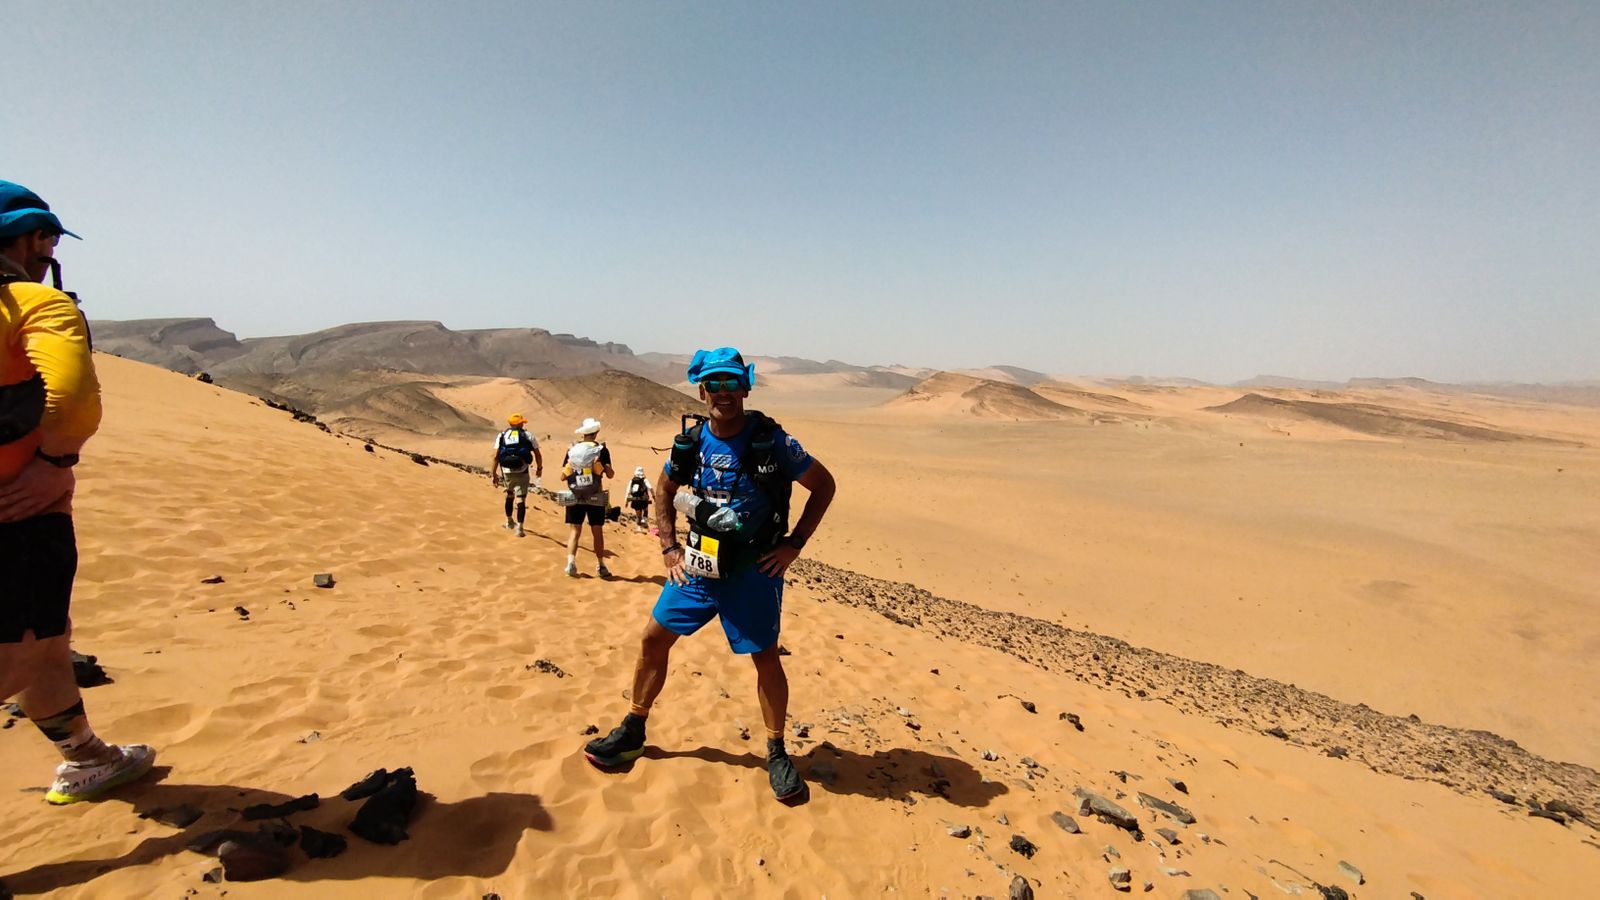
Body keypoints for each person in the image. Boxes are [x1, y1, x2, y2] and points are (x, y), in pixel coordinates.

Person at [584, 347, 836, 802]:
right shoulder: (692, 441)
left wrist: (793, 545)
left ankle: (777, 752)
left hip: (754, 571)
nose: (724, 392)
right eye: (714, 384)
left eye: (731, 382)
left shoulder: (771, 439)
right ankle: (634, 727)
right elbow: (664, 488)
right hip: (698, 569)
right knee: (652, 639)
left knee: (765, 658)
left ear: (746, 386)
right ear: (701, 391)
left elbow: (824, 485)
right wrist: (667, 545)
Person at [0, 180, 156, 804]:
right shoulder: (36, 304)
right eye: (52, 239)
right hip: (18, 512)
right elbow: (70, 397)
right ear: (34, 237)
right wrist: (55, 461)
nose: (52, 251)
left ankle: (87, 758)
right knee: (17, 657)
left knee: (46, 643)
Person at [562, 417, 613, 578]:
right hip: (595, 495)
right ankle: (601, 565)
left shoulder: (572, 449)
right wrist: (602, 467)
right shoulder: (601, 450)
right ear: (596, 432)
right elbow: (611, 475)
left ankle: (570, 563)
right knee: (597, 531)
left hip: (575, 494)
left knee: (575, 530)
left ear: (583, 434)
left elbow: (564, 475)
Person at [490, 413, 542, 537]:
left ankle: (509, 522)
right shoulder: (528, 435)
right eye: (522, 422)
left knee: (509, 495)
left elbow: (496, 456)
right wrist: (540, 468)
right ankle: (520, 528)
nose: (523, 424)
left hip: (507, 470)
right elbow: (537, 454)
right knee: (521, 499)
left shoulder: (502, 435)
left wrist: (494, 474)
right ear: (519, 424)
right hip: (522, 470)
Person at [624, 465, 652, 532]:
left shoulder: (632, 480)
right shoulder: (645, 480)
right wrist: (653, 496)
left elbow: (628, 490)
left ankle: (639, 526)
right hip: (643, 499)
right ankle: (644, 521)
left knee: (638, 513)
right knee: (645, 510)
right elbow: (650, 488)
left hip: (635, 499)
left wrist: (626, 501)